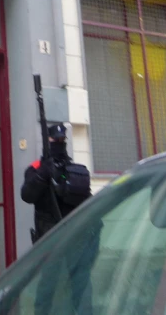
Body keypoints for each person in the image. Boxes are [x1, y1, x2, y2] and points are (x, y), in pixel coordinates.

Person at [21, 123, 98, 314]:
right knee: (47, 286)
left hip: (75, 236)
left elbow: (86, 201)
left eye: (62, 140)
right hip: (49, 238)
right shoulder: (36, 168)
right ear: (47, 141)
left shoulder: (73, 169)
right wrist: (42, 176)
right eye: (54, 140)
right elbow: (27, 195)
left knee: (81, 284)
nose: (59, 143)